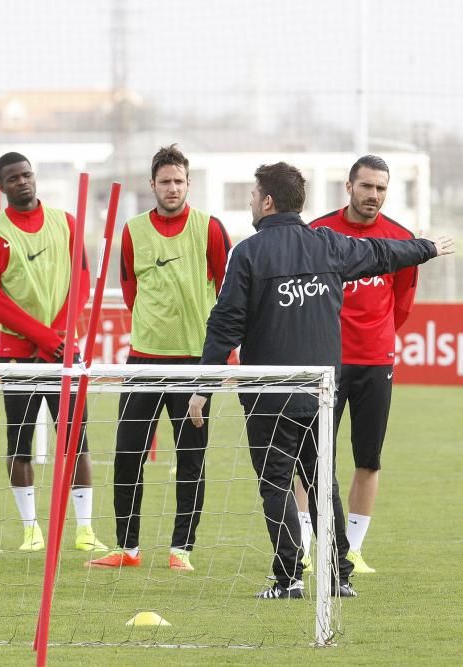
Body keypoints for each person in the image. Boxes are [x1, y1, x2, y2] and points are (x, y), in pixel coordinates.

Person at [188, 162, 454, 599]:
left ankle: (290, 577)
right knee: (321, 483)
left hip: (270, 395)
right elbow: (385, 254)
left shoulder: (249, 253)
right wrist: (426, 247)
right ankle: (338, 575)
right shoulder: (327, 244)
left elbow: (225, 326)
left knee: (276, 484)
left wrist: (202, 389)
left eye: (253, 195)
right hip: (319, 394)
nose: (251, 202)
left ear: (268, 201)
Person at [88, 145, 231, 571]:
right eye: (165, 181)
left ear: (188, 184)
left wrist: (218, 357)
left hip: (193, 363)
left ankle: (180, 550)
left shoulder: (209, 229)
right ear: (152, 185)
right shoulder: (132, 231)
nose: (172, 188)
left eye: (179, 181)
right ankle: (127, 548)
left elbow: (227, 295)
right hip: (144, 362)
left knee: (191, 458)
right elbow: (131, 291)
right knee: (127, 454)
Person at [0, 152, 105, 553]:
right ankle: (31, 529)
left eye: (27, 175)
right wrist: (45, 337)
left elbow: (81, 282)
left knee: (77, 441)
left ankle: (84, 529)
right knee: (20, 443)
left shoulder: (65, 222)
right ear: (2, 188)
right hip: (19, 355)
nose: (22, 182)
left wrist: (60, 334)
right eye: (13, 178)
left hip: (65, 351)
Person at [309, 155, 417, 575]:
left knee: (368, 459)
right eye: (367, 186)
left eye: (381, 189)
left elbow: (402, 303)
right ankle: (301, 548)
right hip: (325, 363)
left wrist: (376, 338)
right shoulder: (318, 233)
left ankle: (351, 550)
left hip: (375, 362)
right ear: (349, 186)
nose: (374, 196)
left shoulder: (400, 239)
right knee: (311, 459)